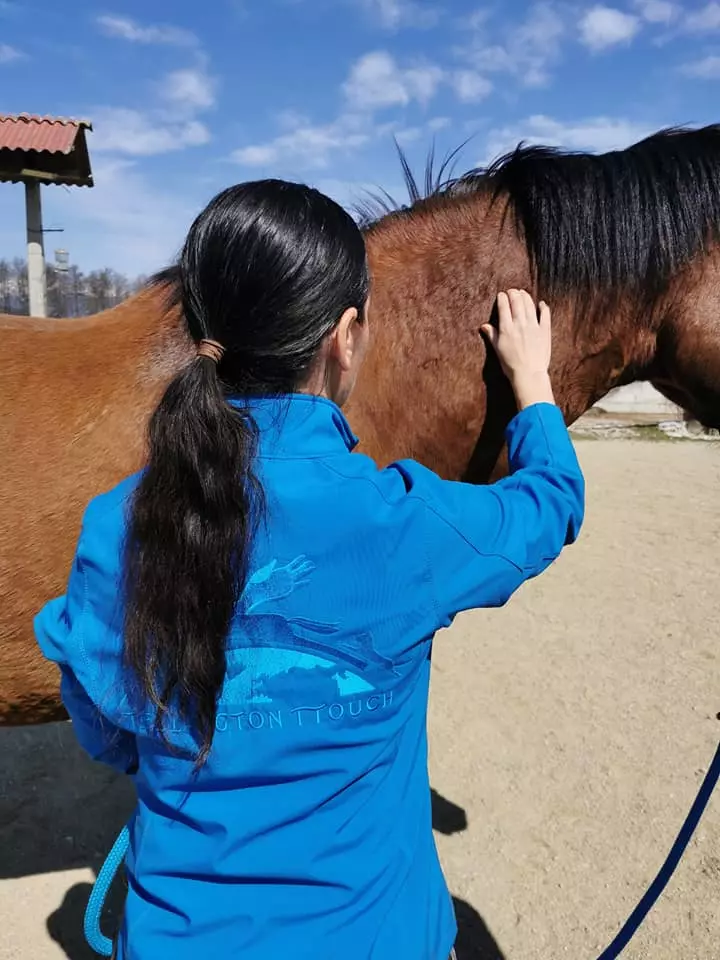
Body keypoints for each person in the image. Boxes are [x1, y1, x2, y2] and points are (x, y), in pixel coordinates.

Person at [35, 179, 584, 960]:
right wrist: (533, 388)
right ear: (345, 336)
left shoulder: (115, 527)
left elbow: (103, 722)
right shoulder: (403, 523)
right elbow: (551, 504)